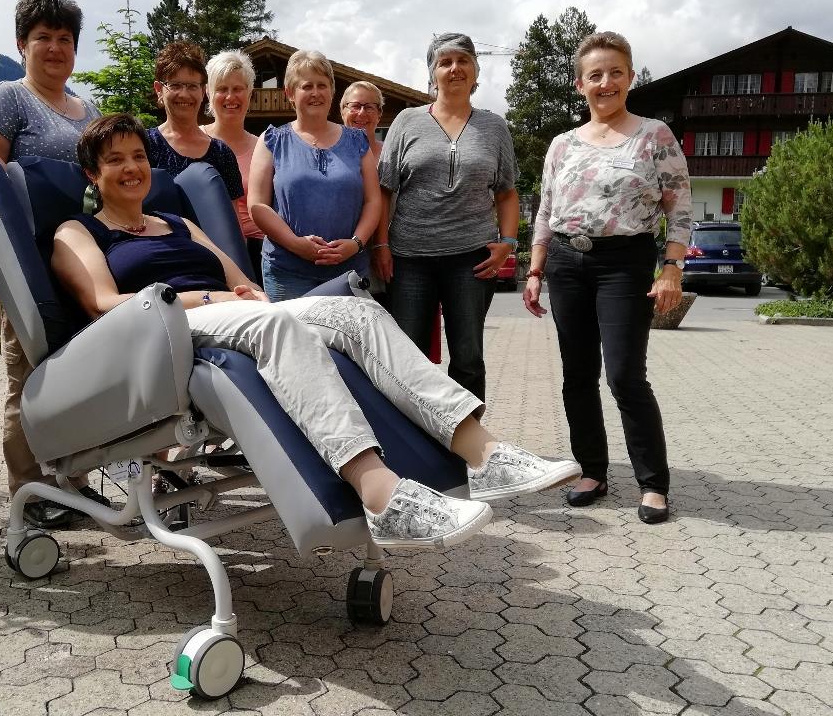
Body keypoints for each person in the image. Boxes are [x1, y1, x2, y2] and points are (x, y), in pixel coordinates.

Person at [50, 114, 582, 548]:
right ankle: (379, 493)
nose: (132, 167)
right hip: (161, 329)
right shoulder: (79, 231)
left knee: (358, 311)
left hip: (232, 314)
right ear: (92, 176)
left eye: (139, 156)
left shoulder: (180, 225)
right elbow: (104, 303)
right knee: (277, 326)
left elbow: (243, 284)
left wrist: (248, 297)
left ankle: (483, 452)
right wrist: (210, 298)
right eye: (115, 160)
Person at [524, 31, 692, 525]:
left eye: (615, 72)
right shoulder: (561, 144)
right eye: (595, 75)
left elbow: (678, 207)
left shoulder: (654, 135)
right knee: (577, 375)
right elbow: (545, 210)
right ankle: (592, 471)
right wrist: (535, 270)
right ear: (581, 85)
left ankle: (653, 483)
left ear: (630, 77)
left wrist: (672, 268)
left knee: (624, 376)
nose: (605, 82)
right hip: (566, 264)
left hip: (624, 262)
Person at [0, 0, 104, 530]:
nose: (54, 48)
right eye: (43, 37)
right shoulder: (5, 97)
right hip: (27, 267)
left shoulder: (87, 109)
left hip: (83, 262)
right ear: (21, 44)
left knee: (78, 377)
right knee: (25, 380)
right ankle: (28, 494)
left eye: (64, 39)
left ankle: (72, 481)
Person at [378, 33, 520, 401]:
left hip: (471, 259)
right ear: (432, 73)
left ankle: (465, 445)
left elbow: (506, 192)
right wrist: (380, 245)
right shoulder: (407, 122)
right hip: (411, 258)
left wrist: (508, 243)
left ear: (476, 71)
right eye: (445, 62)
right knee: (409, 355)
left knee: (468, 357)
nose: (454, 68)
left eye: (463, 61)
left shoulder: (494, 127)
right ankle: (417, 444)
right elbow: (384, 189)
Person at [249, 50, 381, 301]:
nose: (315, 93)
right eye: (306, 86)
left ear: (332, 92)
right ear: (290, 93)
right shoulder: (272, 140)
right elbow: (257, 204)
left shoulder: (357, 141)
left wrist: (356, 243)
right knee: (293, 340)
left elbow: (373, 201)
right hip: (287, 271)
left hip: (349, 271)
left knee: (346, 341)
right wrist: (295, 244)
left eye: (322, 85)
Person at [148, 42, 245, 202]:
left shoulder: (222, 154)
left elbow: (232, 220)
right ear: (159, 89)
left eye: (192, 86)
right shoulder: (145, 146)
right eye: (175, 85)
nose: (184, 94)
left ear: (203, 91)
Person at [201, 49, 263, 279]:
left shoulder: (265, 148)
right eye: (222, 89)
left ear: (250, 93)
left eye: (237, 89)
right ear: (208, 93)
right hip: (208, 250)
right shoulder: (193, 142)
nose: (230, 97)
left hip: (259, 253)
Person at [339, 81, 389, 306]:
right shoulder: (328, 153)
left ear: (379, 114)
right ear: (342, 110)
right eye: (355, 106)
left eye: (370, 107)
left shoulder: (391, 155)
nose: (361, 113)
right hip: (344, 256)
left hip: (388, 258)